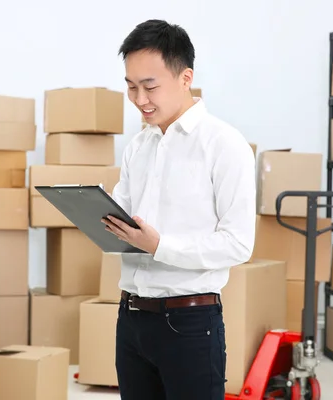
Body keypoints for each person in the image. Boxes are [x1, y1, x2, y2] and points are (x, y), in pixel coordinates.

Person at [102, 19, 256, 400]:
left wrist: (160, 246)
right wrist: (96, 214)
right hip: (132, 317)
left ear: (185, 77)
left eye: (150, 86)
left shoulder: (224, 144)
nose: (140, 99)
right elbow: (124, 214)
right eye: (131, 86)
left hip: (189, 323)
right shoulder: (139, 146)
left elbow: (238, 244)